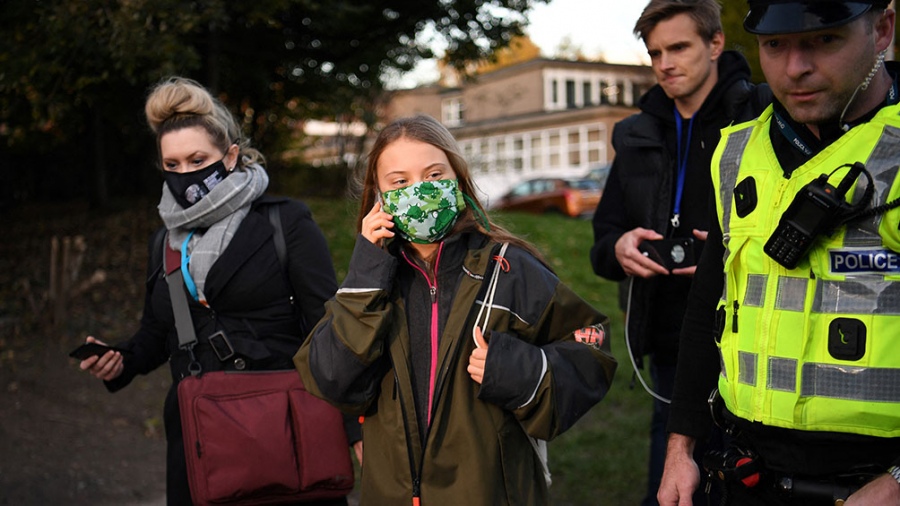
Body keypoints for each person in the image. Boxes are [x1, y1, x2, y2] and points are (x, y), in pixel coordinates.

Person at [293, 114, 618, 505]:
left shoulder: (508, 268)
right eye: (400, 182)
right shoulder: (369, 280)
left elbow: (591, 342)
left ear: (457, 180)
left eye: (433, 175)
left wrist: (521, 371)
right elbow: (331, 377)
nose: (420, 190)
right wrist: (366, 270)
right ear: (379, 196)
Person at [658, 1, 900, 505]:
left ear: (882, 29)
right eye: (775, 45)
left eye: (824, 40)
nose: (795, 69)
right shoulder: (735, 152)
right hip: (746, 473)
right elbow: (709, 307)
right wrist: (680, 448)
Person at [77, 76, 360, 505]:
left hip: (283, 426)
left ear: (229, 156)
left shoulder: (284, 222)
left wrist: (354, 426)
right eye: (172, 165)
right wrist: (121, 361)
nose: (184, 175)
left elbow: (329, 330)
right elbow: (158, 335)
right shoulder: (166, 241)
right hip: (200, 438)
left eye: (197, 160)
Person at [589, 1, 770, 504]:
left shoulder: (762, 114)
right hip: (667, 339)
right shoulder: (634, 133)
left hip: (752, 336)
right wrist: (621, 247)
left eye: (679, 47)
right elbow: (602, 242)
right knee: (669, 488)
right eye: (655, 53)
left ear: (715, 44)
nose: (665, 62)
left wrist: (732, 252)